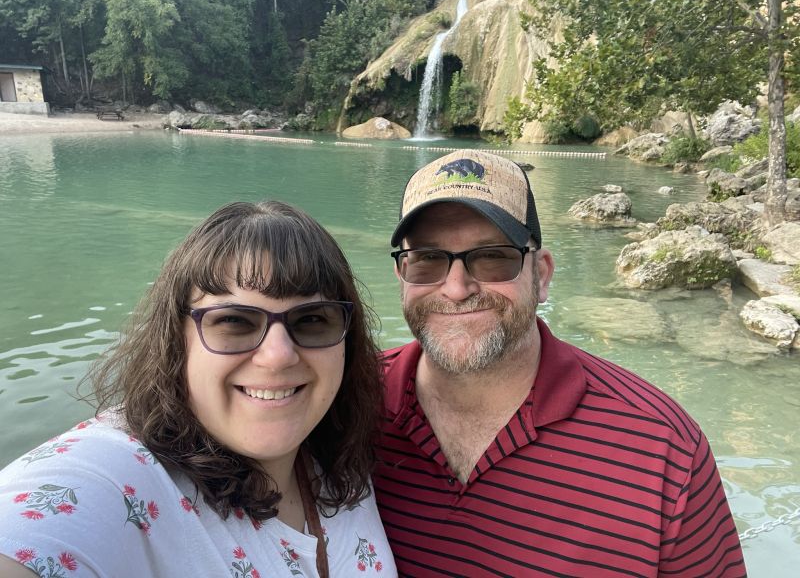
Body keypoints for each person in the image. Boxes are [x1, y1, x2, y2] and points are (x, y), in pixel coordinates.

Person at [373, 150, 746, 577]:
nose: (456, 289)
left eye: (494, 256)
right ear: (401, 277)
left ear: (542, 275)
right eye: (427, 260)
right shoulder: (343, 402)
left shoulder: (662, 449)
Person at [0, 201, 396, 577]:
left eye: (312, 319)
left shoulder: (341, 460)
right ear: (177, 340)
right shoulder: (125, 479)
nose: (278, 356)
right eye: (234, 321)